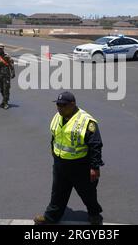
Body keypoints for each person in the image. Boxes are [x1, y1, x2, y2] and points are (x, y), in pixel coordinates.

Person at [34, 92, 104, 225]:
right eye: (58, 105)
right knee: (58, 192)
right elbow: (55, 135)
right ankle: (51, 217)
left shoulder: (86, 121)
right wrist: (54, 154)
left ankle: (94, 214)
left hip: (80, 164)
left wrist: (95, 167)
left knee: (87, 192)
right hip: (61, 163)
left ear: (72, 104)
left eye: (63, 105)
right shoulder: (58, 116)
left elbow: (96, 145)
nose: (60, 108)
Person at [0, 44, 15, 110]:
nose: (0, 49)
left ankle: (5, 102)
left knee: (6, 88)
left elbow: (11, 64)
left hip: (6, 75)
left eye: (1, 48)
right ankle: (4, 99)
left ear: (3, 49)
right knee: (1, 88)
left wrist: (13, 72)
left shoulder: (7, 56)